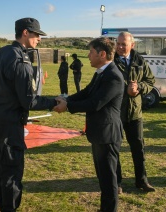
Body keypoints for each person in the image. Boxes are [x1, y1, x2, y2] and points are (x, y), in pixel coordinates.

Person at [0, 17, 57, 212]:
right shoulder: (21, 59)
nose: (39, 39)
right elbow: (29, 101)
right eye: (36, 35)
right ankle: (10, 207)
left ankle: (2, 204)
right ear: (25, 33)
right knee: (12, 169)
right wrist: (55, 102)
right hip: (10, 122)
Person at [54, 37, 124, 212]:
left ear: (102, 54)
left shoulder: (113, 76)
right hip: (99, 133)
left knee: (108, 180)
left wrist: (68, 106)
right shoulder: (101, 72)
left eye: (91, 52)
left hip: (107, 135)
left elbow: (95, 103)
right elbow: (87, 92)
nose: (88, 56)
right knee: (103, 177)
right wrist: (67, 99)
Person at [114, 31, 156, 193]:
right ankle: (116, 183)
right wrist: (126, 89)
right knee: (115, 148)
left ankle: (142, 181)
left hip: (135, 113)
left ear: (132, 45)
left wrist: (139, 88)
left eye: (123, 44)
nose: (119, 47)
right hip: (116, 112)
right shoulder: (112, 60)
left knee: (138, 148)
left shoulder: (140, 60)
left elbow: (150, 81)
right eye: (118, 43)